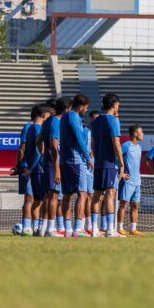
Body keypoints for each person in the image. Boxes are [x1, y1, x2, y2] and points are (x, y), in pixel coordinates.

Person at [89, 94, 125, 237]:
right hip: (109, 163)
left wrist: (97, 156)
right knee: (110, 193)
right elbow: (116, 143)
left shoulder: (95, 121)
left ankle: (94, 229)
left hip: (98, 163)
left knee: (97, 194)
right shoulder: (114, 120)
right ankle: (110, 229)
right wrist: (121, 163)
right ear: (114, 104)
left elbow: (92, 143)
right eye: (118, 105)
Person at [58, 94, 91, 237]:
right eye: (86, 106)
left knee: (67, 195)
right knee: (82, 193)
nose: (87, 109)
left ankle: (68, 229)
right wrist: (87, 156)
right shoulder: (74, 117)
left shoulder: (65, 116)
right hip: (75, 160)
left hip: (65, 160)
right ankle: (78, 229)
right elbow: (79, 137)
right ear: (82, 105)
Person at [36, 97, 69, 237]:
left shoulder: (47, 121)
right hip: (54, 163)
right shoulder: (56, 121)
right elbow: (55, 146)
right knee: (54, 196)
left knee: (48, 197)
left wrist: (43, 154)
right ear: (66, 109)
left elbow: (39, 141)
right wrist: (57, 168)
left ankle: (43, 228)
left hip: (47, 162)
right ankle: (50, 229)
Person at [12, 105, 47, 236]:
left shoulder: (34, 127)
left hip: (31, 166)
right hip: (28, 166)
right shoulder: (30, 127)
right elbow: (22, 148)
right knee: (30, 198)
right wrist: (19, 165)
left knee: (36, 198)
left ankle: (34, 227)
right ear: (43, 115)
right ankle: (27, 227)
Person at [117, 124, 143, 236]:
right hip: (128, 181)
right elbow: (116, 157)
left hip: (137, 181)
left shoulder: (139, 147)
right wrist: (121, 172)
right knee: (123, 204)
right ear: (135, 134)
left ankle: (133, 229)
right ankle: (119, 228)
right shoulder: (126, 146)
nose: (143, 134)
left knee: (135, 205)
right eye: (141, 132)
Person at [82, 110, 100, 234]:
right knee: (87, 196)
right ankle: (87, 225)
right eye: (93, 118)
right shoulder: (85, 131)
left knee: (96, 197)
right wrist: (87, 157)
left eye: (97, 119)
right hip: (85, 167)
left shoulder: (99, 133)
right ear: (90, 119)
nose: (95, 121)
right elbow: (80, 147)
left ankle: (93, 225)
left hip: (96, 168)